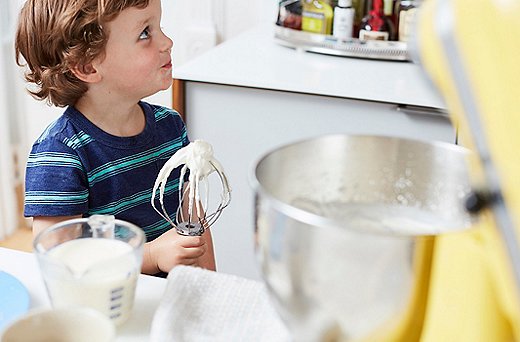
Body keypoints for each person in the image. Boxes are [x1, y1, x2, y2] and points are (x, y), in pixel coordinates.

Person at [15, 0, 215, 276]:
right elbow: (59, 259)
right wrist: (152, 255)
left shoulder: (170, 127)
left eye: (160, 27)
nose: (167, 42)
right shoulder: (60, 154)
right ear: (87, 67)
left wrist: (211, 285)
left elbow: (193, 218)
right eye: (145, 32)